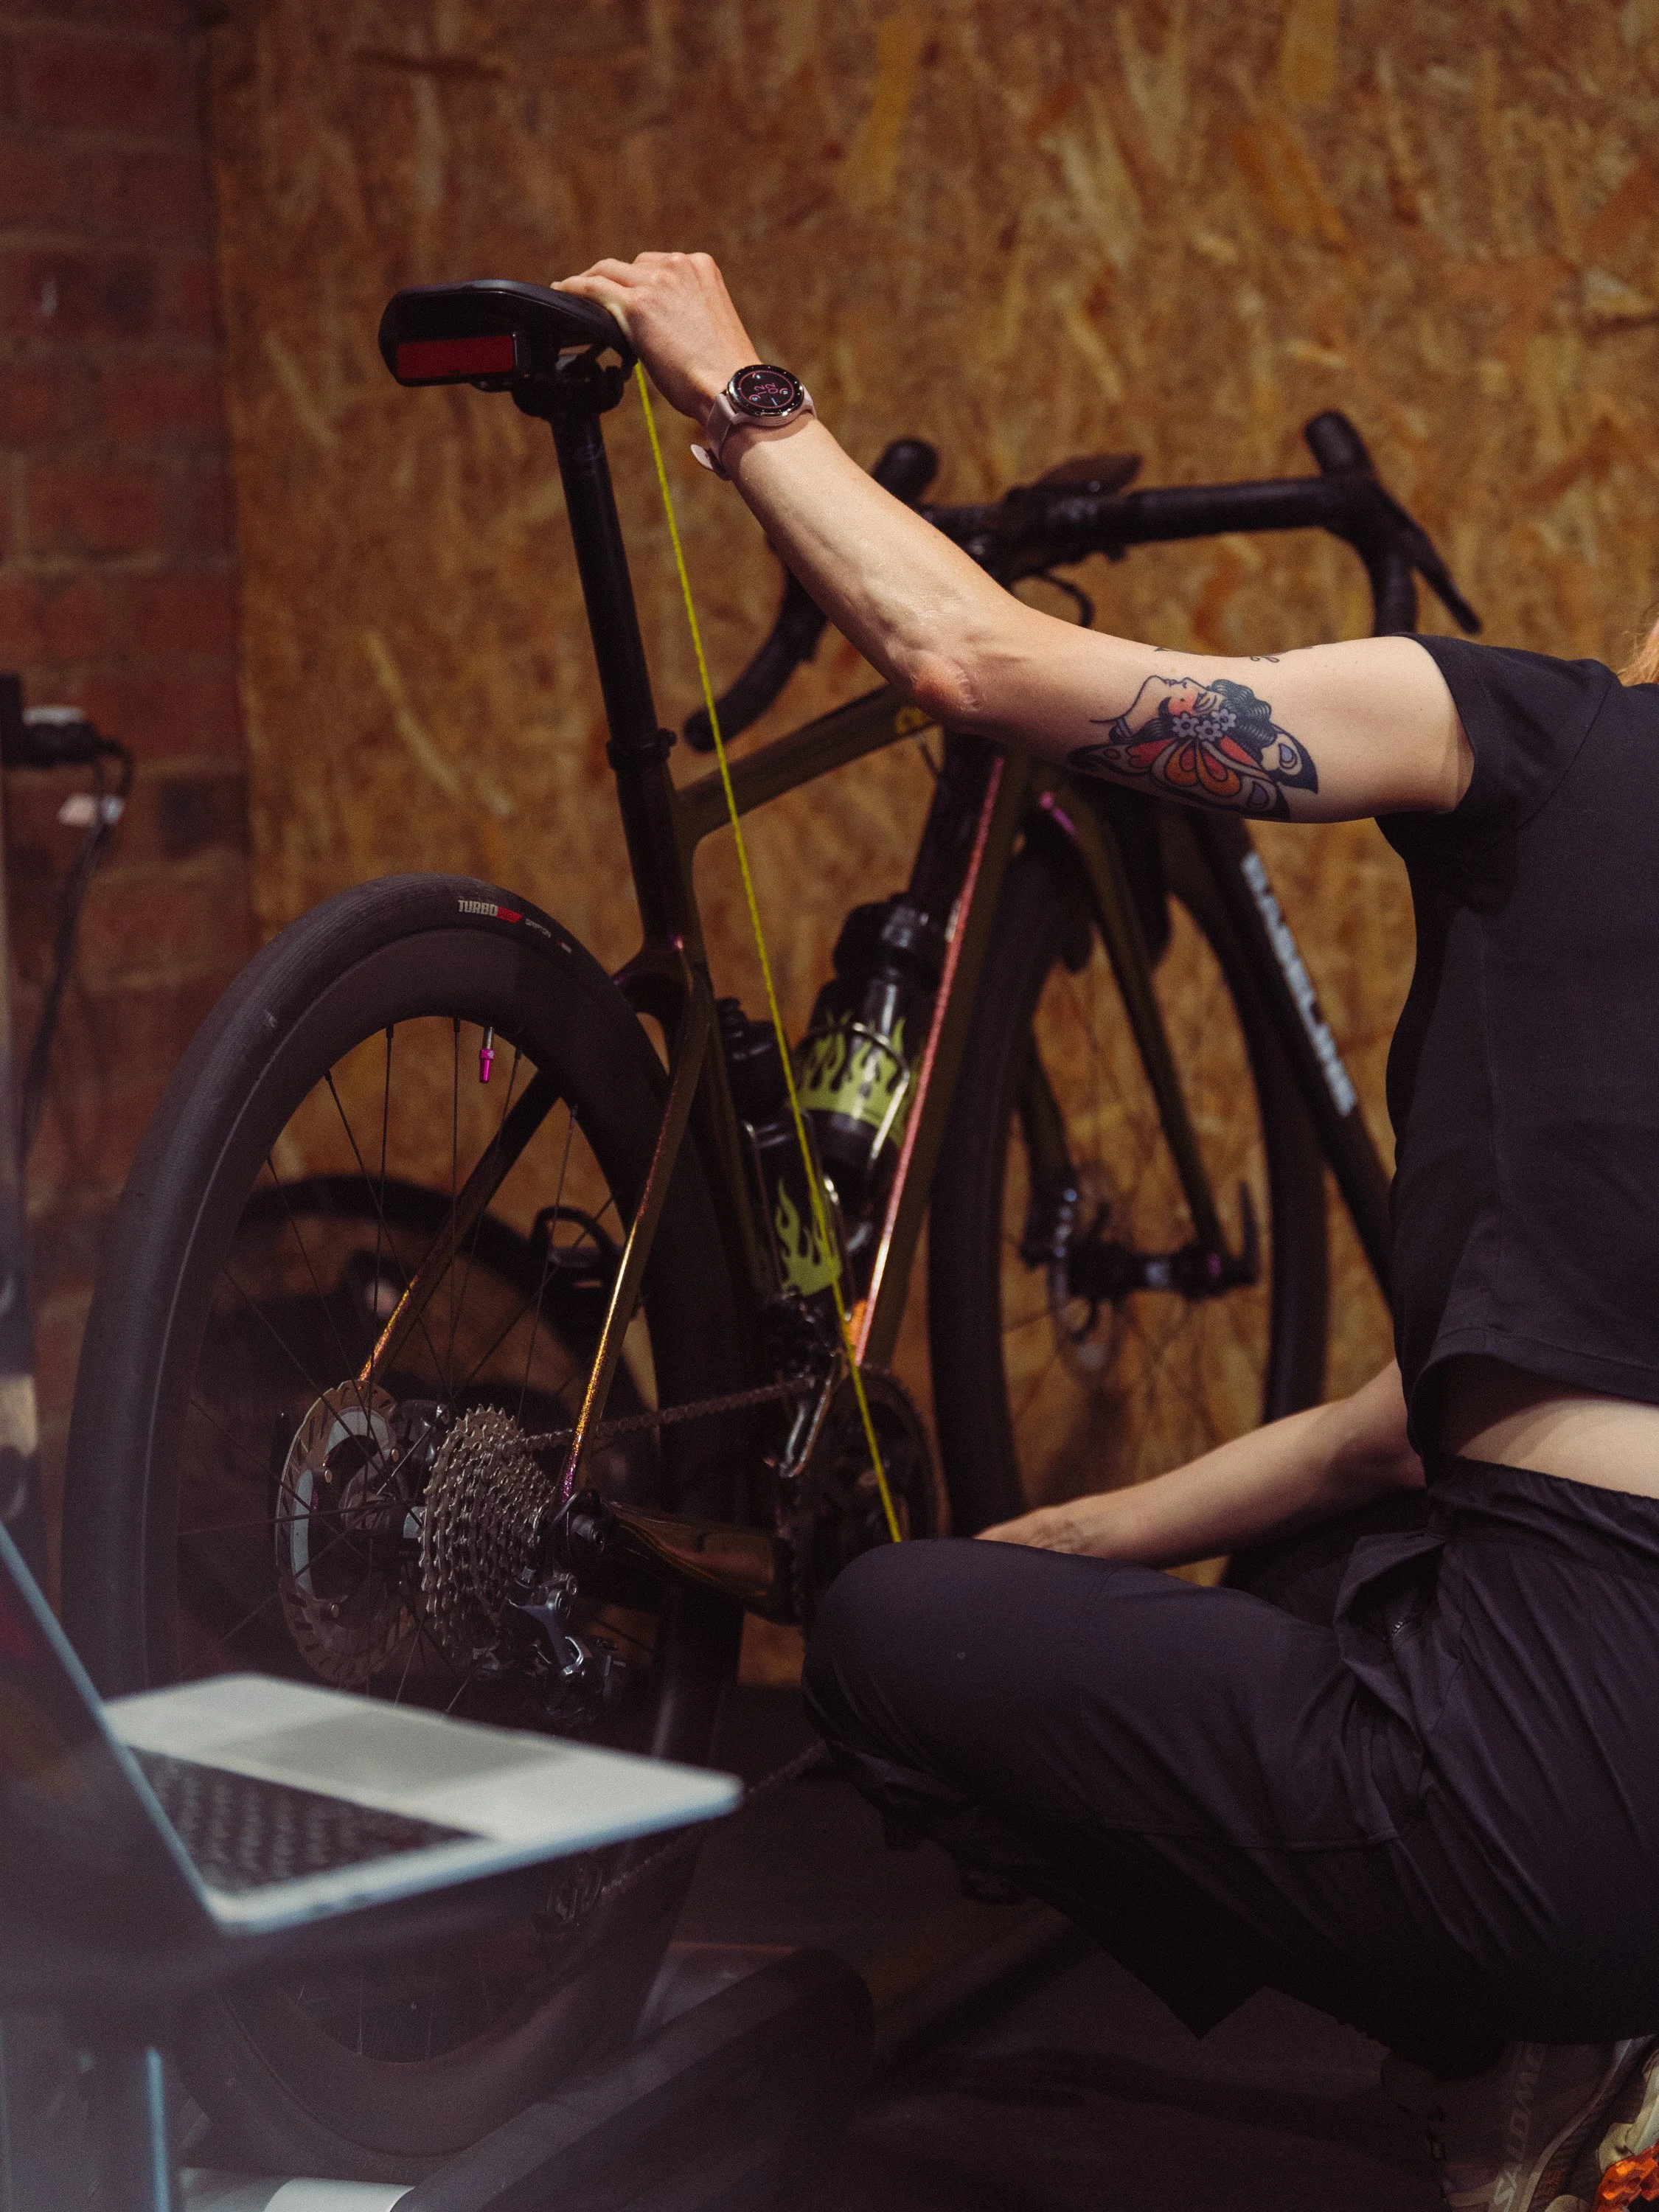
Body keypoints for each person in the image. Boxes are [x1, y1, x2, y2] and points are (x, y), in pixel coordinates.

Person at [557, 249, 1659, 2212]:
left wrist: (729, 376)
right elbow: (1403, 1431)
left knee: (888, 1636)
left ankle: (1504, 2021)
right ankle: (1568, 2029)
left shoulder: (1550, 735)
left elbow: (970, 665)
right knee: (1345, 1564)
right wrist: (1073, 1549)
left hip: (1527, 1804)